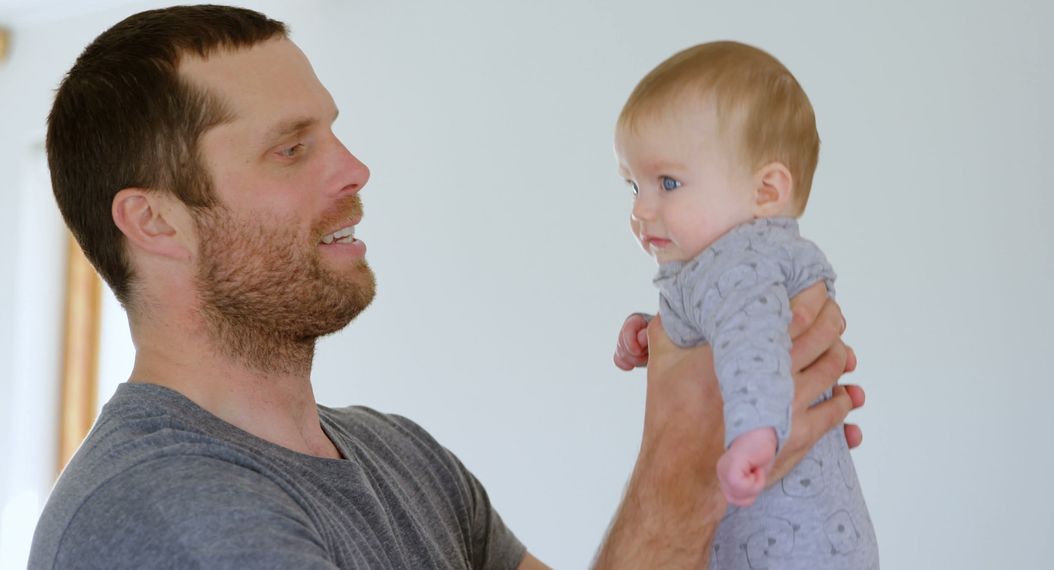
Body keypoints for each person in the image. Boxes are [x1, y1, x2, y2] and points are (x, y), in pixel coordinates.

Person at [30, 6, 862, 568]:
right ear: (155, 223)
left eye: (335, 132)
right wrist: (685, 461)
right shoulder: (160, 516)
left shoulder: (406, 460)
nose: (355, 169)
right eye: (292, 149)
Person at [611, 41, 878, 568]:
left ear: (766, 191)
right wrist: (652, 330)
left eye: (668, 182)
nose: (642, 209)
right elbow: (723, 334)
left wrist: (755, 439)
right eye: (632, 185)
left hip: (788, 547)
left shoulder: (738, 261)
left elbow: (752, 349)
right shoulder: (730, 265)